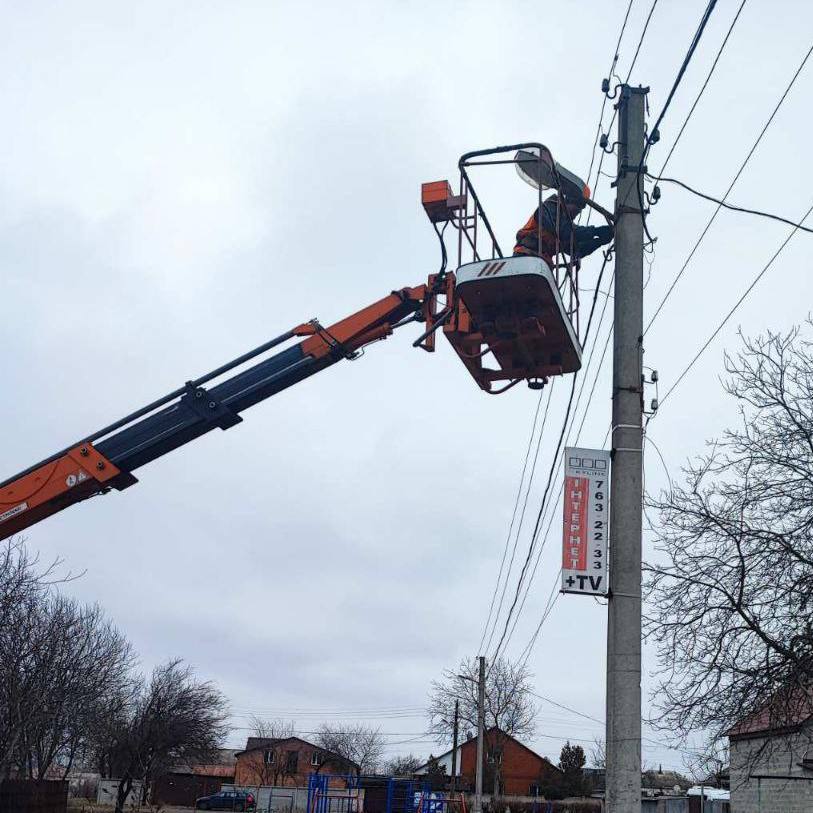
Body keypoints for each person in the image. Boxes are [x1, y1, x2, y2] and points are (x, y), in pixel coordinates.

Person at [513, 193, 613, 263]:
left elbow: (577, 249)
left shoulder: (567, 227)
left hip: (542, 263)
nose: (575, 216)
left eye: (577, 213)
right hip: (524, 256)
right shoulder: (548, 209)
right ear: (567, 203)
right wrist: (595, 231)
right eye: (575, 211)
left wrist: (599, 241)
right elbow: (562, 230)